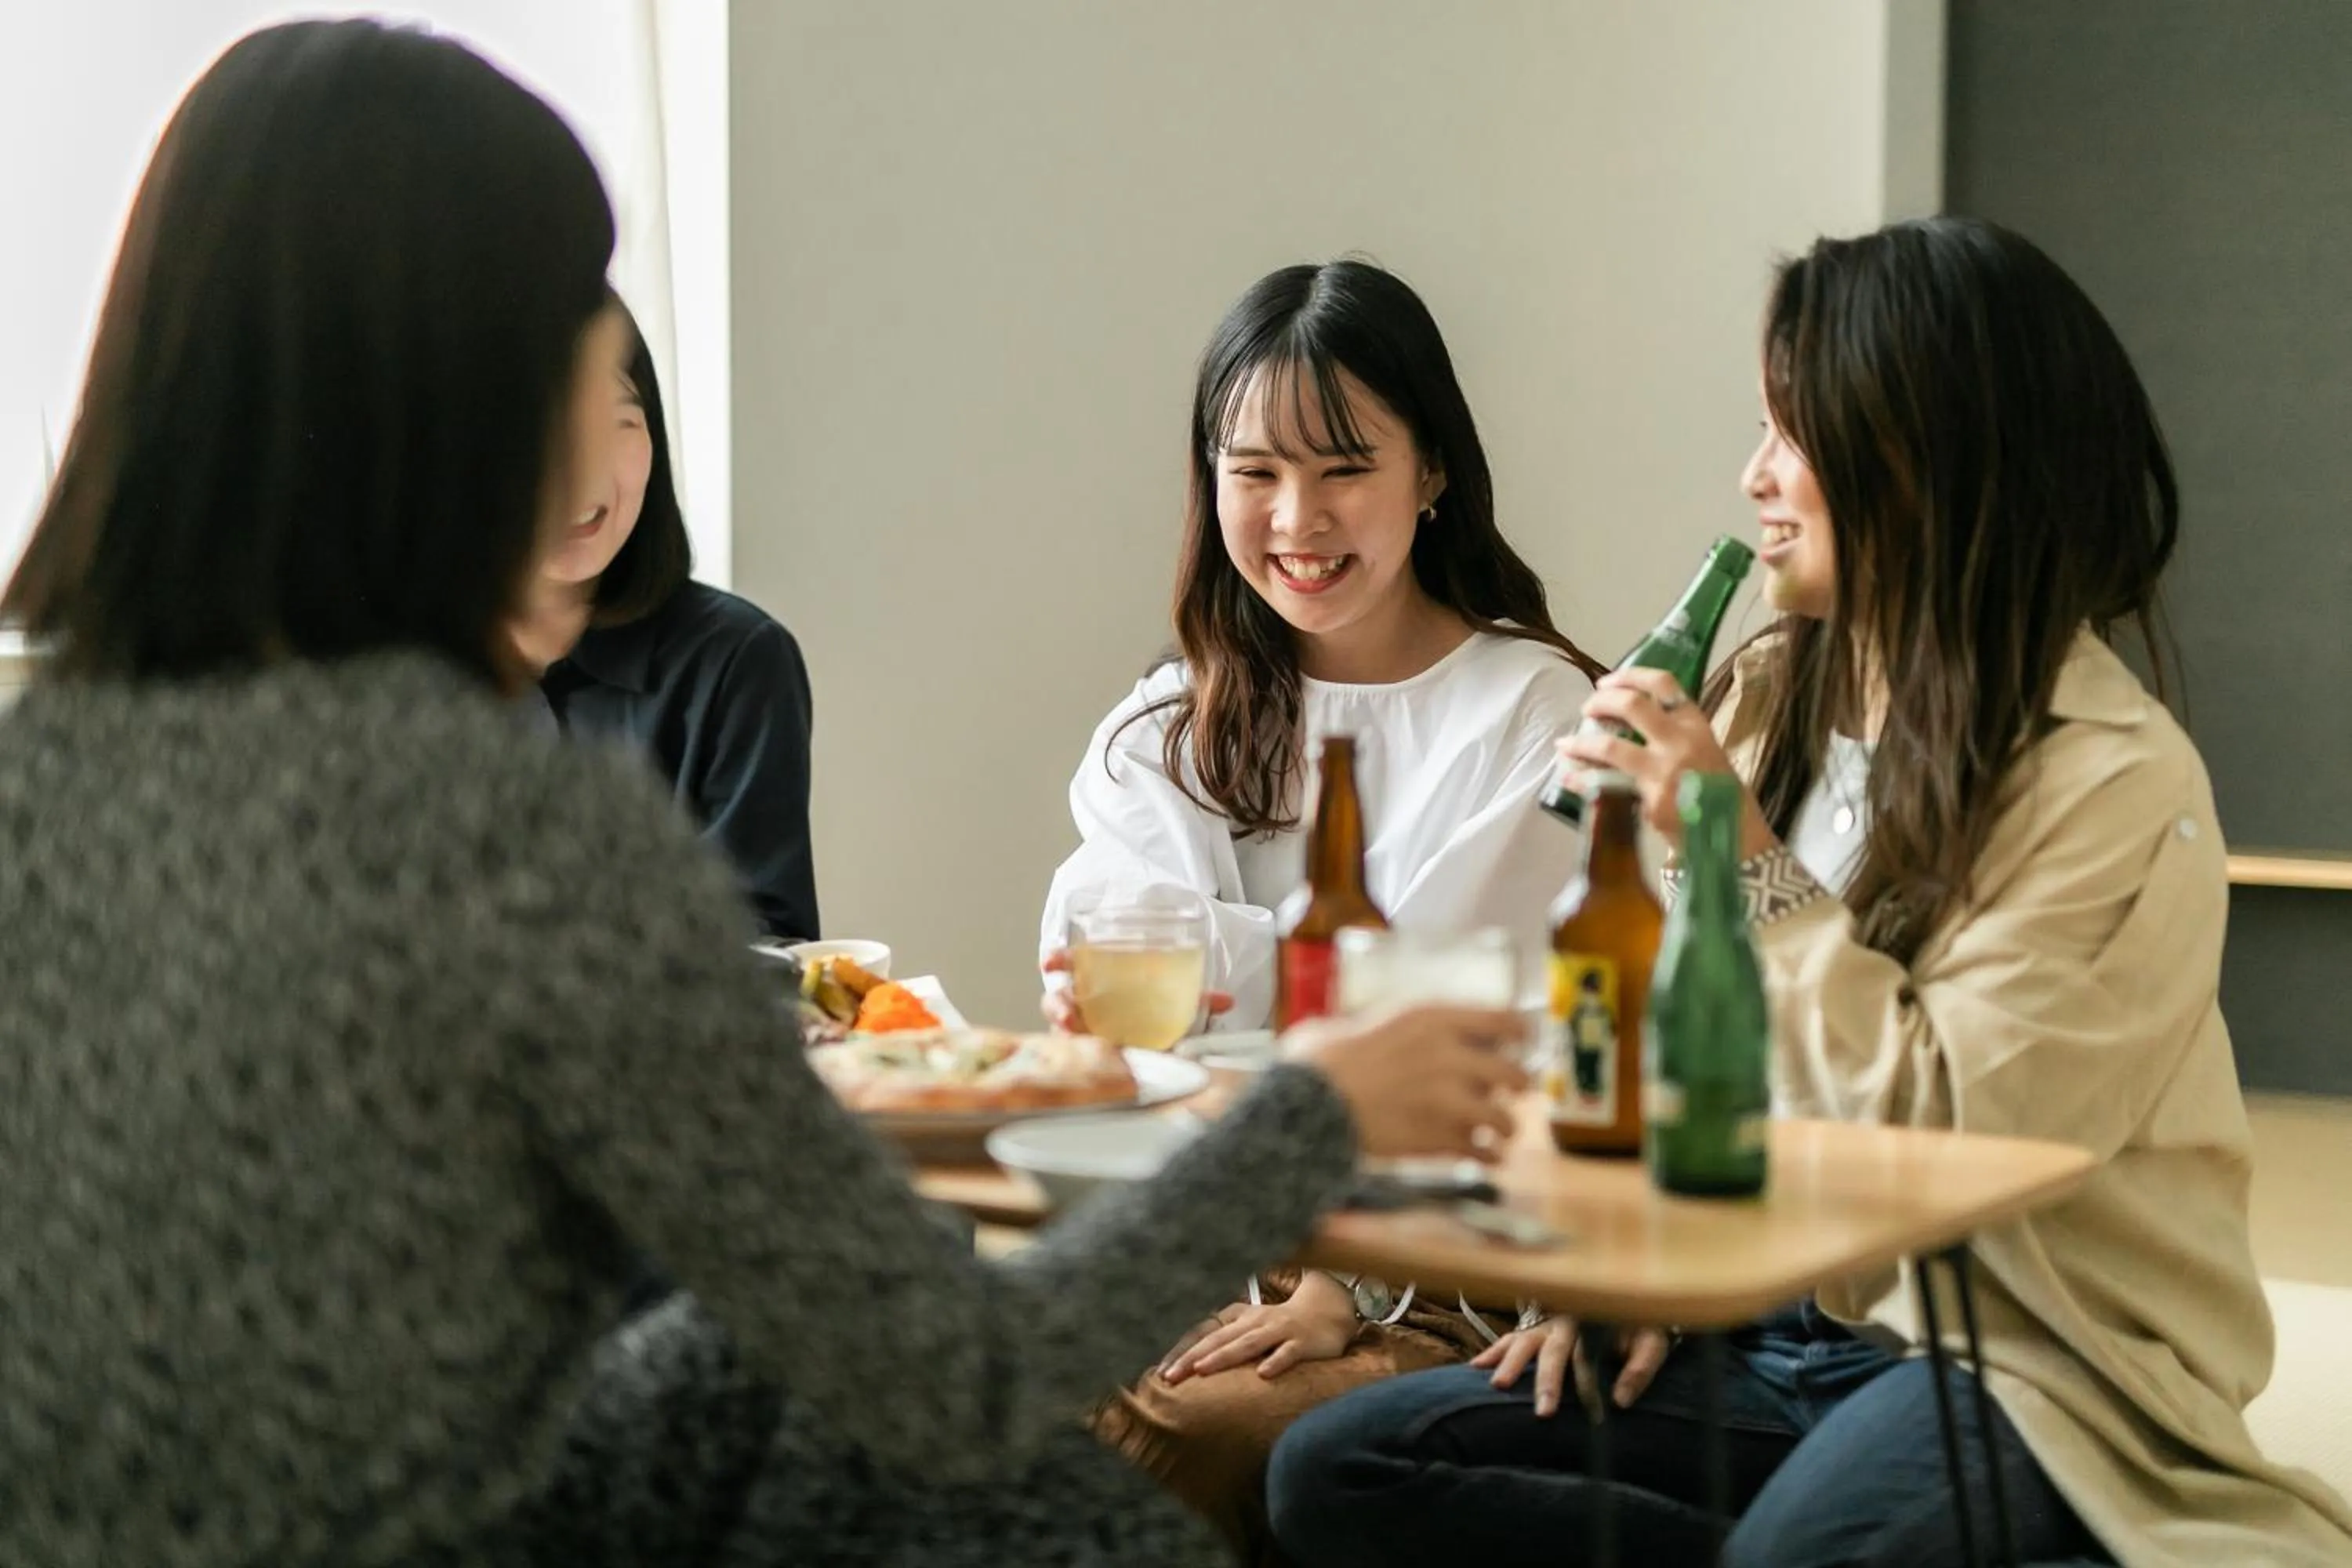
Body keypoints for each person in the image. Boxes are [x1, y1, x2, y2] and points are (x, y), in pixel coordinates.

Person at [0, 22, 1533, 1566]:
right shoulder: (501, 836)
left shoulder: (36, 780)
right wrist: (1317, 1119)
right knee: (1006, 1467)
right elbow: (951, 1368)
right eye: (570, 368)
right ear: (442, 419)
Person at [1265, 217, 2352, 1568]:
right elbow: (1689, 1044)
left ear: (1919, 458)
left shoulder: (2114, 786)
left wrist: (1732, 840)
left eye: (1791, 434)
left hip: (2021, 1363)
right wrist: (1632, 1275)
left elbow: (1942, 1139)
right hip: (1766, 1329)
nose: (1753, 475)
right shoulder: (1771, 691)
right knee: (1341, 1469)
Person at [1037, 260, 1604, 1563]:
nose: (1298, 516)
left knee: (1155, 1441)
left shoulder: (1541, 716)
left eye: (1345, 465)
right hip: (1189, 1246)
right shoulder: (1163, 727)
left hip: (1446, 1279)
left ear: (1434, 472)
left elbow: (1474, 1046)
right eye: (1254, 472)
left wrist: (1338, 1280)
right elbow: (1136, 1003)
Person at [512, 293, 818, 943]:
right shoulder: (393, 669)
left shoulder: (737, 659)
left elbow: (764, 949)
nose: (584, 467)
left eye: (619, 422)